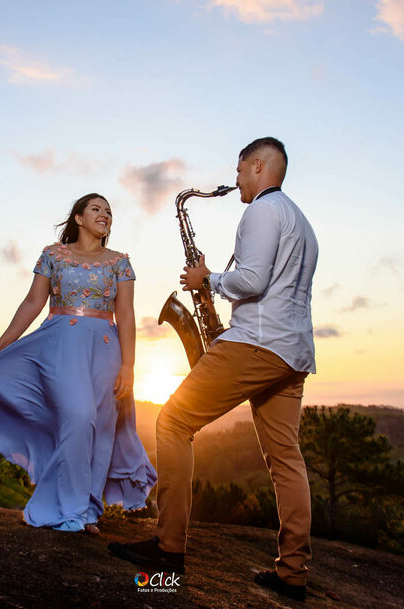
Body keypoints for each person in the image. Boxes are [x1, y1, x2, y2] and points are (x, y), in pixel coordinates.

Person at [109, 137, 318, 601]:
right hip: (294, 353)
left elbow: (253, 281)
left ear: (258, 166)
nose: (237, 180)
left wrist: (208, 280)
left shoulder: (262, 211)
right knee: (286, 458)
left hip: (256, 344)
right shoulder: (302, 222)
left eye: (241, 170)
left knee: (173, 421)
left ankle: (167, 552)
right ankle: (294, 574)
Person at [0, 193, 156, 535]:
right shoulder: (53, 255)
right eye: (96, 209)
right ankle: (67, 508)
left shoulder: (120, 262)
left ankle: (88, 510)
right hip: (59, 345)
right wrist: (2, 344)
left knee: (102, 428)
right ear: (78, 218)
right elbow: (33, 301)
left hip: (106, 350)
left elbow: (126, 314)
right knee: (78, 417)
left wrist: (129, 366)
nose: (105, 214)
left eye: (109, 211)